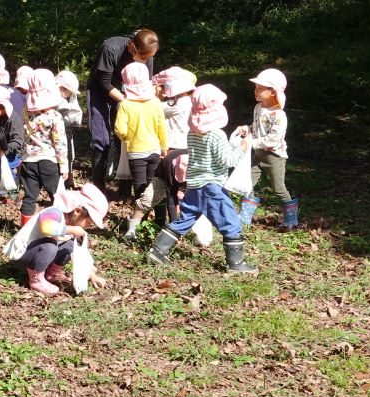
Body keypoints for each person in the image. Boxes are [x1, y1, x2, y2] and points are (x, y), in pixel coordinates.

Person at [146, 85, 258, 274]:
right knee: (230, 221)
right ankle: (236, 263)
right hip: (212, 187)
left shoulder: (193, 132)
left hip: (194, 184)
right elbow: (228, 160)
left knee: (186, 218)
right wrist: (244, 146)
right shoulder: (217, 134)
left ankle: (158, 250)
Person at [86, 29, 159, 196]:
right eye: (143, 57)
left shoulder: (147, 53)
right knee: (101, 139)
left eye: (149, 57)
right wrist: (127, 102)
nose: (146, 60)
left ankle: (124, 188)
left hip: (127, 91)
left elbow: (145, 83)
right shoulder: (110, 48)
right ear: (132, 47)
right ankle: (99, 190)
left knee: (125, 136)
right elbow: (104, 82)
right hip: (100, 89)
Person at [11, 183, 109, 297]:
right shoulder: (54, 212)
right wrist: (71, 230)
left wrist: (91, 274)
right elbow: (46, 228)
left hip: (39, 256)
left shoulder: (70, 222)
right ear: (77, 211)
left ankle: (53, 272)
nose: (87, 227)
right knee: (50, 245)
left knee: (70, 244)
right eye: (88, 223)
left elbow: (81, 254)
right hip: (22, 255)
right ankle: (36, 280)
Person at [240, 68, 298, 229]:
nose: (255, 92)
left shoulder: (279, 115)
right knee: (247, 184)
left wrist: (252, 143)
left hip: (274, 157)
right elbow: (256, 126)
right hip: (258, 155)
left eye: (259, 89)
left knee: (278, 188)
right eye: (255, 88)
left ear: (272, 92)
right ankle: (244, 217)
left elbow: (274, 139)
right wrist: (247, 131)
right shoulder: (258, 108)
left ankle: (291, 219)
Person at [115, 62, 168, 238]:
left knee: (140, 187)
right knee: (156, 185)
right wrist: (164, 147)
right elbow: (162, 126)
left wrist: (127, 137)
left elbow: (120, 129)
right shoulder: (155, 102)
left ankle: (139, 223)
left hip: (136, 152)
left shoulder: (125, 104)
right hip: (154, 150)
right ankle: (159, 221)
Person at [19, 69, 69, 224]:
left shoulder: (25, 112)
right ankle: (59, 227)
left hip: (28, 160)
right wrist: (64, 165)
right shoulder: (55, 116)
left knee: (29, 197)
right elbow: (60, 143)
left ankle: (24, 229)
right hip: (49, 160)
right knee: (57, 196)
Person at [56, 69, 83, 177]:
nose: (70, 94)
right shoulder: (52, 95)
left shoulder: (70, 97)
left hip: (66, 130)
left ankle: (69, 176)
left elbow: (76, 112)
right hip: (55, 133)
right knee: (58, 155)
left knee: (69, 154)